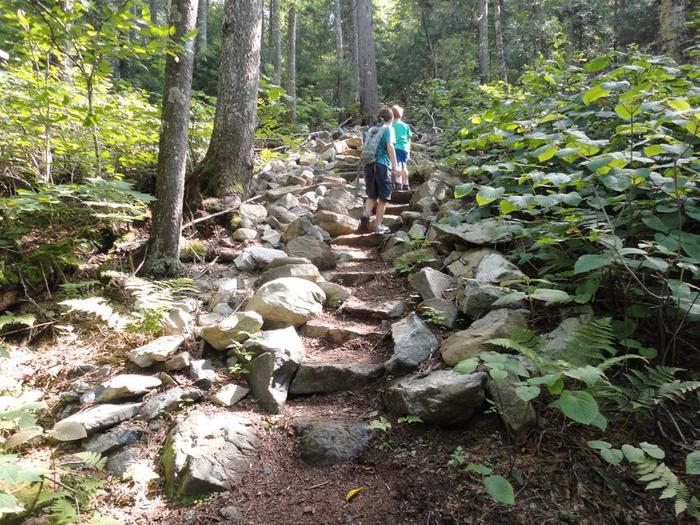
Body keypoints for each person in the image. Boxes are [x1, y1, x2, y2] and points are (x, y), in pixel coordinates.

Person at [359, 107, 400, 235]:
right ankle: (378, 225)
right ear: (391, 118)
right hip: (382, 166)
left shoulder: (372, 130)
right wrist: (395, 167)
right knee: (383, 198)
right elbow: (390, 147)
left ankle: (366, 214)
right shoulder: (389, 129)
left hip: (368, 166)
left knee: (371, 195)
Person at [391, 105, 412, 191]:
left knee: (397, 165)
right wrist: (409, 150)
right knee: (404, 166)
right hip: (404, 148)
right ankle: (406, 184)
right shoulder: (405, 126)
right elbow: (409, 139)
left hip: (395, 148)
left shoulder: (391, 125)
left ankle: (398, 183)